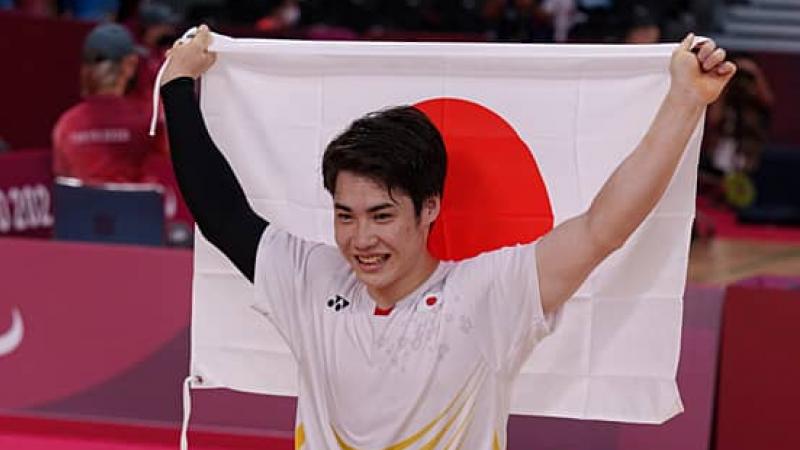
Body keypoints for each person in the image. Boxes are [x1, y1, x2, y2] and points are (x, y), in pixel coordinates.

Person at [159, 25, 735, 448]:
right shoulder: (310, 281)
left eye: (382, 216)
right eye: (345, 215)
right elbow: (220, 212)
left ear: (429, 208)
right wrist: (180, 83)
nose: (361, 239)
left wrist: (686, 100)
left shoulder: (488, 295)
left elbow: (603, 227)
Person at [52, 23, 167, 184]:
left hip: (82, 207)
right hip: (134, 207)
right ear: (129, 65)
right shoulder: (146, 119)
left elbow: (63, 181)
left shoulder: (66, 124)